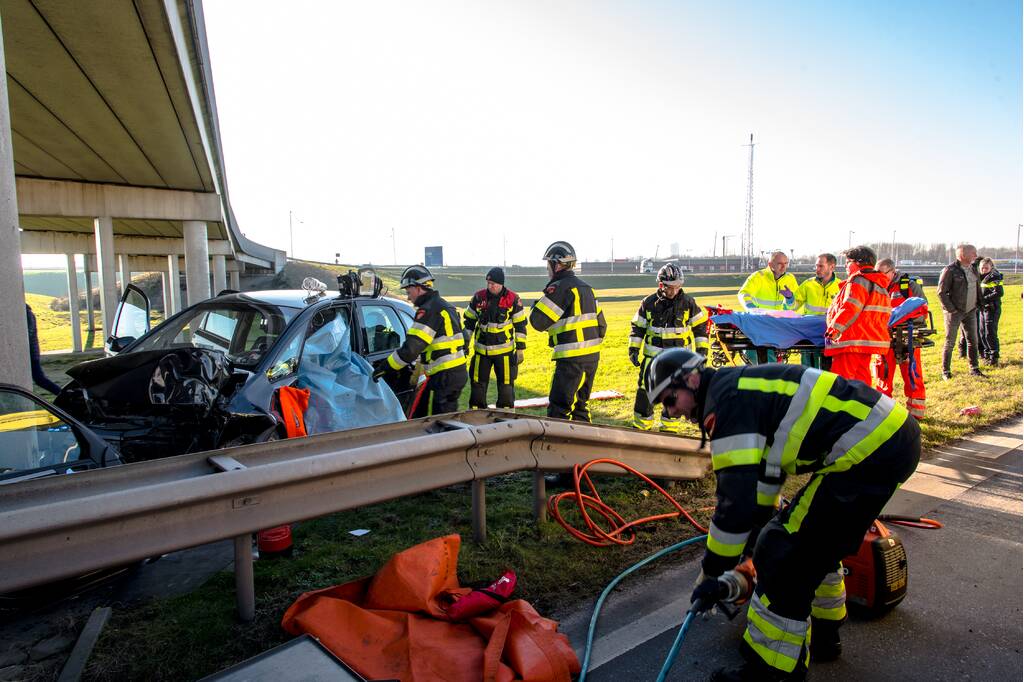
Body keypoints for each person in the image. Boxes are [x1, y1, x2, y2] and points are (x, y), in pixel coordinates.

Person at [645, 348, 920, 681]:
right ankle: (824, 635)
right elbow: (764, 480)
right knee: (815, 544)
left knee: (782, 552)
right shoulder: (739, 389)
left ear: (690, 379)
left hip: (866, 452)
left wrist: (713, 573)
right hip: (885, 441)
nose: (672, 413)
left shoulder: (727, 405)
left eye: (670, 400)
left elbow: (734, 506)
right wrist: (752, 541)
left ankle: (770, 671)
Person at [529, 241, 607, 422]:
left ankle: (559, 449)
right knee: (580, 407)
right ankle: (582, 447)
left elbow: (537, 321)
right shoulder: (587, 289)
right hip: (591, 357)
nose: (547, 268)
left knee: (559, 410)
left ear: (556, 265)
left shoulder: (559, 288)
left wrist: (536, 304)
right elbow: (602, 327)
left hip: (572, 359)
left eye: (548, 263)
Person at [376, 265, 468, 416]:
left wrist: (385, 368)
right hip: (457, 373)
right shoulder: (446, 306)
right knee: (446, 419)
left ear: (418, 288)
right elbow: (465, 337)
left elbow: (410, 350)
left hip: (443, 377)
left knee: (438, 423)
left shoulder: (428, 310)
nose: (408, 297)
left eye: (408, 291)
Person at [628, 263, 708, 432]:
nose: (674, 291)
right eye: (671, 287)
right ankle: (641, 429)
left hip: (680, 361)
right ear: (661, 285)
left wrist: (702, 351)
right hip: (652, 360)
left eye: (678, 287)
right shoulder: (648, 303)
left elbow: (700, 327)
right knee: (645, 393)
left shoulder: (688, 303)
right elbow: (637, 328)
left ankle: (669, 431)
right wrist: (633, 349)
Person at [823, 246, 891, 386]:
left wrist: (833, 330)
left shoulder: (858, 281)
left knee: (841, 382)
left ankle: (838, 408)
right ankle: (862, 407)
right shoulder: (879, 284)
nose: (845, 266)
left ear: (857, 263)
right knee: (862, 381)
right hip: (866, 341)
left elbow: (850, 307)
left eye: (847, 262)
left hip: (851, 341)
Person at [463, 267, 527, 409]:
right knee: (477, 386)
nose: (490, 286)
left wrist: (521, 349)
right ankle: (477, 416)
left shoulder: (513, 299)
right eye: (488, 283)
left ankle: (506, 419)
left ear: (501, 283)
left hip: (504, 354)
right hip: (481, 353)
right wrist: (465, 343)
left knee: (506, 388)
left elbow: (521, 325)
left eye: (493, 283)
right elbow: (469, 322)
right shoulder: (478, 297)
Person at [874, 259, 927, 419]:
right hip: (883, 336)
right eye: (878, 274)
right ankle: (882, 413)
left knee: (912, 373)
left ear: (893, 271)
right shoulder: (876, 287)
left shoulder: (908, 285)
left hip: (907, 336)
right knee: (883, 374)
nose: (881, 277)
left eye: (884, 273)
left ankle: (916, 412)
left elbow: (922, 308)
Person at [737, 251, 800, 363]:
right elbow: (743, 294)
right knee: (753, 358)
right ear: (770, 264)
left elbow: (794, 306)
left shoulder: (790, 279)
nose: (783, 266)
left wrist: (790, 298)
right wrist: (752, 309)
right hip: (758, 323)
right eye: (780, 263)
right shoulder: (758, 276)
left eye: (786, 263)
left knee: (774, 359)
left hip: (778, 325)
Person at [937, 244, 985, 380]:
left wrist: (979, 304)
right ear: (963, 255)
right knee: (950, 342)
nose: (976, 256)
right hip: (954, 312)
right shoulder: (950, 270)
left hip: (970, 310)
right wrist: (951, 309)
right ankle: (945, 371)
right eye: (973, 253)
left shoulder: (974, 269)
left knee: (973, 341)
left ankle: (974, 368)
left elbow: (976, 288)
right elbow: (941, 292)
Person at [794, 253, 840, 369]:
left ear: (832, 267)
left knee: (828, 371)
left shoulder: (841, 286)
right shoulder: (807, 284)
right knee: (808, 370)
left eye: (821, 266)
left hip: (830, 335)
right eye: (816, 266)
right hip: (809, 334)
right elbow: (792, 306)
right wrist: (789, 299)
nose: (817, 269)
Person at [25, 304, 63, 395]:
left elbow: (28, 334)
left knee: (39, 379)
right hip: (31, 352)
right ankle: (63, 394)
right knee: (39, 379)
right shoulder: (27, 313)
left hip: (31, 353)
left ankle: (63, 394)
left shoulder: (27, 313)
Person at [978, 257, 1003, 366]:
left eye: (986, 268)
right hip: (984, 308)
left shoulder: (995, 276)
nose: (983, 270)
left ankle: (994, 356)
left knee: (990, 333)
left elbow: (999, 293)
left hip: (992, 308)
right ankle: (986, 354)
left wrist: (983, 299)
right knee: (982, 332)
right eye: (982, 268)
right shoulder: (981, 277)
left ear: (991, 267)